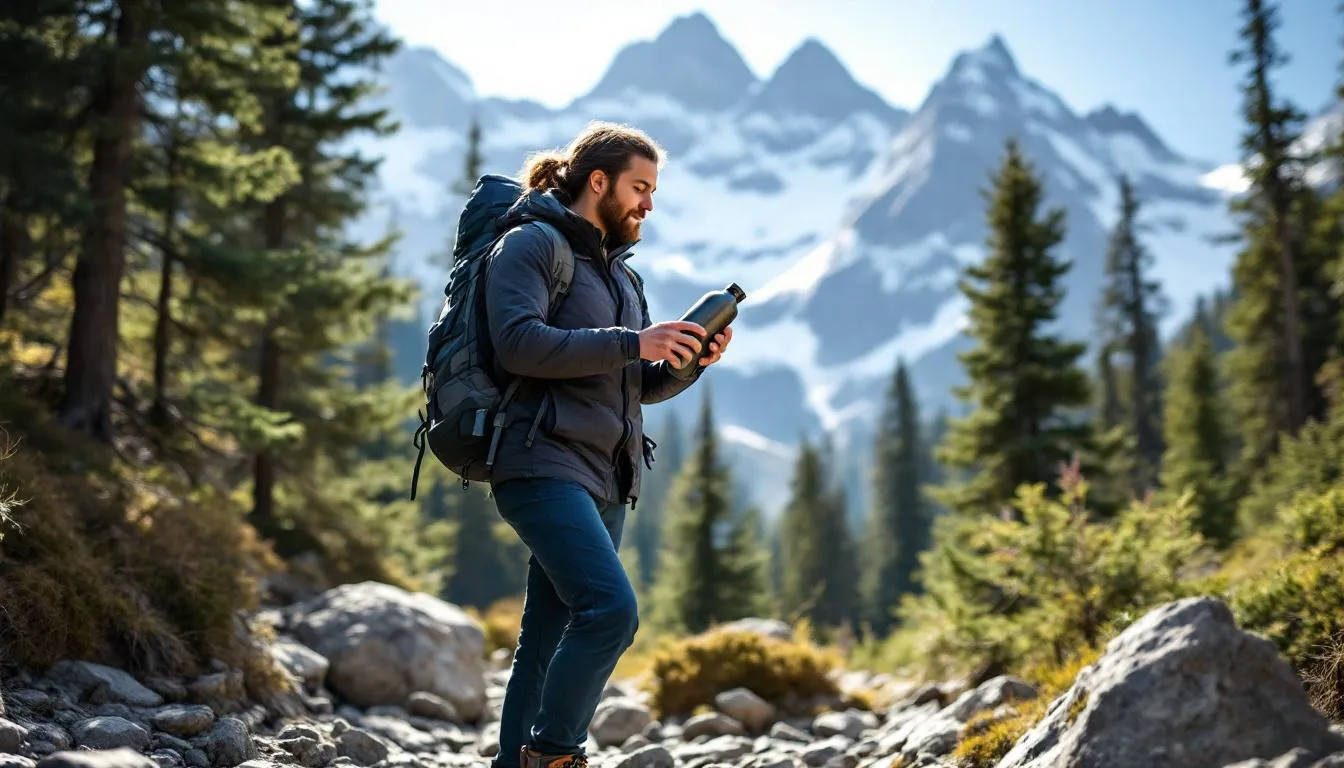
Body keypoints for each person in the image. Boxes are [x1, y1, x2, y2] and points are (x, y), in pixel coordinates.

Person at [482, 120, 731, 768]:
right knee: (611, 610)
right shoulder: (530, 245)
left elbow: (636, 385)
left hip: (606, 477)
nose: (650, 203)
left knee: (545, 639)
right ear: (599, 182)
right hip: (539, 461)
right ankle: (558, 755)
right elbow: (518, 343)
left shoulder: (624, 280)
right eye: (640, 187)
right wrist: (633, 341)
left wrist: (687, 363)